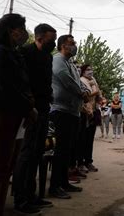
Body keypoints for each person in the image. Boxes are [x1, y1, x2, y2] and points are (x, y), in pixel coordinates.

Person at [0, 13, 37, 216]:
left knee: (5, 170)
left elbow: (23, 84)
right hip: (0, 114)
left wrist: (29, 104)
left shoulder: (13, 53)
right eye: (21, 28)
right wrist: (28, 107)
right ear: (11, 30)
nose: (23, 33)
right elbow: (6, 87)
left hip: (15, 116)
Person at [13, 24, 57, 213]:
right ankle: (20, 199)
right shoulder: (25, 53)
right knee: (27, 153)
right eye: (51, 39)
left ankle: (31, 196)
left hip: (44, 107)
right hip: (29, 109)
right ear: (39, 37)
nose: (53, 42)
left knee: (37, 153)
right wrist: (28, 106)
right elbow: (21, 82)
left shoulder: (47, 57)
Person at [49, 35, 84, 199]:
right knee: (61, 150)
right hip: (61, 110)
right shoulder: (58, 60)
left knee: (67, 150)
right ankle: (55, 186)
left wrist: (83, 90)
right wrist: (81, 92)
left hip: (72, 111)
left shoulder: (69, 62)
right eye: (72, 43)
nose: (75, 46)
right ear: (63, 45)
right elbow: (67, 81)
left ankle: (63, 182)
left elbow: (78, 82)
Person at [79, 64, 100, 172]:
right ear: (82, 71)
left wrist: (95, 86)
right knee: (83, 139)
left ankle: (88, 161)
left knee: (90, 139)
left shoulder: (93, 80)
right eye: (87, 69)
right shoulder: (81, 80)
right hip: (85, 112)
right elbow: (87, 96)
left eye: (91, 69)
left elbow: (99, 95)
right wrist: (94, 89)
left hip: (94, 111)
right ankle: (81, 162)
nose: (90, 71)